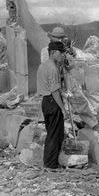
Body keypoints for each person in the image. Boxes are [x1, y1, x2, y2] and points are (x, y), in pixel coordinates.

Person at [37, 41, 69, 169]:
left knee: (52, 133)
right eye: (61, 53)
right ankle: (50, 165)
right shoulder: (53, 68)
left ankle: (50, 162)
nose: (62, 55)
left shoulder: (43, 66)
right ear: (53, 52)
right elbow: (54, 91)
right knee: (55, 135)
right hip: (52, 101)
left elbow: (49, 85)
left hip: (46, 101)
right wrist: (63, 109)